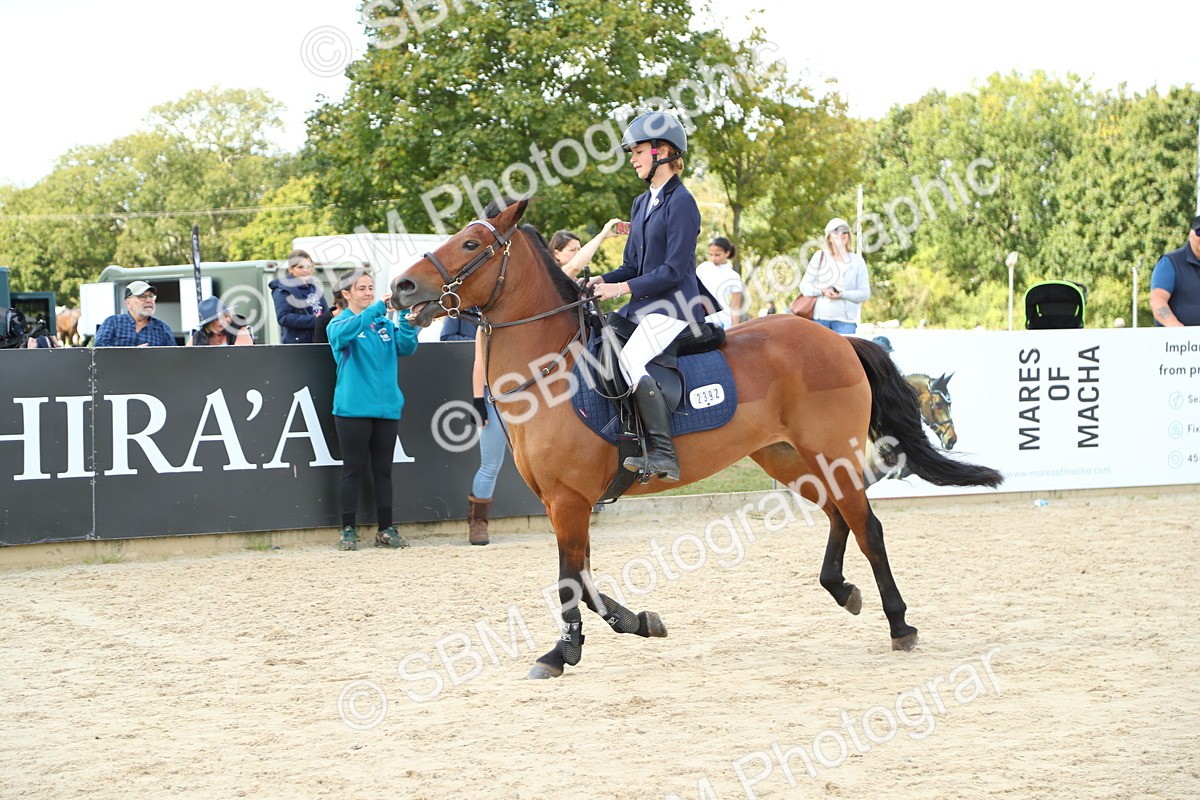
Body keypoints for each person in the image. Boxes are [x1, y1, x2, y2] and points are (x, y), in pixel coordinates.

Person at [586, 110, 717, 483]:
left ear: (662, 151)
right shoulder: (641, 203)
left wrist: (621, 289)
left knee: (629, 359)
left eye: (638, 150)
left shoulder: (683, 202)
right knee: (604, 346)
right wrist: (599, 280)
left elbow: (674, 270)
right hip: (645, 306)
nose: (632, 158)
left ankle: (663, 454)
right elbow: (632, 266)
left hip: (676, 306)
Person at [327, 269, 419, 551]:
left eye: (370, 287)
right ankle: (348, 530)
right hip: (352, 409)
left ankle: (385, 529)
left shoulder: (382, 323)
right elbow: (347, 332)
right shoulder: (339, 324)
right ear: (346, 294)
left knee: (384, 472)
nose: (368, 292)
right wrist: (380, 306)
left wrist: (404, 316)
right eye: (361, 288)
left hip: (386, 408)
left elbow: (406, 346)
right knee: (352, 469)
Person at [798, 218, 871, 334]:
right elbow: (804, 287)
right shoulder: (819, 257)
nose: (841, 234)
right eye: (836, 231)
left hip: (846, 323)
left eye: (844, 231)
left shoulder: (857, 261)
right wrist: (823, 291)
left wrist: (842, 294)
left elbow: (864, 293)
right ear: (829, 237)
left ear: (849, 236)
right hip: (820, 321)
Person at [1150, 215, 1200, 326]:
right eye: (1199, 233)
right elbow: (1157, 300)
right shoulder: (1170, 262)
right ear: (1190, 234)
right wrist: (1175, 327)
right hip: (1179, 342)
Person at [270, 250, 329, 343]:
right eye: (300, 267)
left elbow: (326, 313)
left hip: (319, 340)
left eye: (308, 267)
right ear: (291, 269)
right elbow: (283, 318)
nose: (305, 270)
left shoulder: (315, 288)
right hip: (298, 345)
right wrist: (316, 320)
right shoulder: (283, 289)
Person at [94, 281, 177, 347]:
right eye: (142, 296)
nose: (149, 300)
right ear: (128, 303)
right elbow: (99, 351)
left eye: (151, 296)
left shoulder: (162, 328)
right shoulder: (113, 323)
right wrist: (133, 354)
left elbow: (174, 359)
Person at [695, 236, 745, 329]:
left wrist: (735, 328)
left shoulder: (734, 276)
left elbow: (735, 306)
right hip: (702, 318)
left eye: (717, 255)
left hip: (723, 320)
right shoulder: (703, 268)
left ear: (727, 253)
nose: (713, 258)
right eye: (711, 254)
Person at [551, 221, 624, 279]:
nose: (578, 253)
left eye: (579, 250)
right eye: (572, 250)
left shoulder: (575, 280)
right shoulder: (552, 276)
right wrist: (601, 235)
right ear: (556, 253)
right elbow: (574, 267)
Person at [187, 297, 253, 346]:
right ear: (209, 323)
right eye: (218, 319)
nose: (225, 321)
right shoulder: (198, 337)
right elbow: (185, 358)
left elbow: (242, 359)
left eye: (226, 316)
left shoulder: (240, 331)